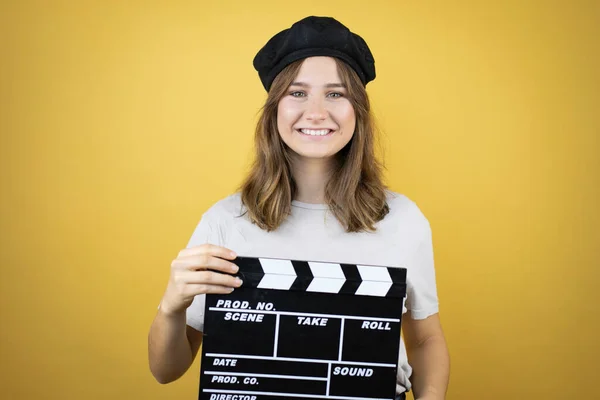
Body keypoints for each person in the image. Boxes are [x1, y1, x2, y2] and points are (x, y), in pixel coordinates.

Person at [148, 16, 450, 400]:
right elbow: (165, 371)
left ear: (358, 110)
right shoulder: (226, 222)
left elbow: (425, 340)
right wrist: (172, 306)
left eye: (336, 94)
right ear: (275, 109)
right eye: (297, 92)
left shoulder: (402, 220)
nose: (317, 112)